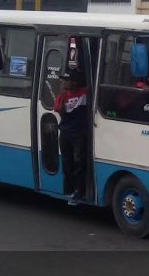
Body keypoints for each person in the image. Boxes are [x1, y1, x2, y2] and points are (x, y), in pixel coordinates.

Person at [54, 68, 88, 205]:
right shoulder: (63, 95)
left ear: (75, 82)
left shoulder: (84, 93)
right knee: (67, 162)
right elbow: (59, 111)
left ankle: (79, 191)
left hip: (79, 133)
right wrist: (62, 96)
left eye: (67, 80)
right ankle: (69, 189)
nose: (65, 83)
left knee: (79, 162)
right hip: (65, 132)